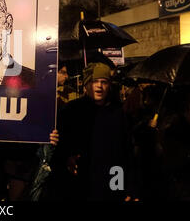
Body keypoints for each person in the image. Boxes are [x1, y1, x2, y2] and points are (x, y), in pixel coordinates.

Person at [53, 62, 136, 201]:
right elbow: (59, 147)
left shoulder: (119, 113)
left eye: (104, 82)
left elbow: (126, 153)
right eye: (94, 81)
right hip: (79, 184)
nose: (99, 86)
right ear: (86, 85)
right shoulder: (70, 111)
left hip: (111, 182)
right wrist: (67, 157)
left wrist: (127, 188)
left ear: (109, 85)